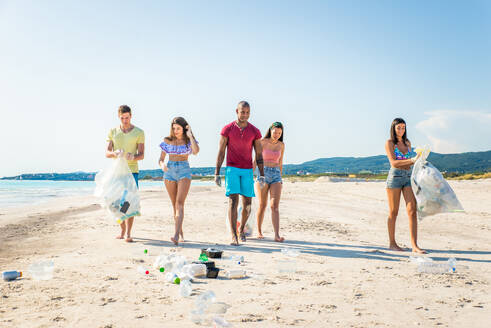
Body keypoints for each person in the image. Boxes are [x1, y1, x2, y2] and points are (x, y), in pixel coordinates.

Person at [215, 101, 265, 246]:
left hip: (248, 170)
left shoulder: (255, 131)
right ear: (236, 111)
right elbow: (221, 152)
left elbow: (259, 154)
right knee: (233, 201)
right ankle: (233, 235)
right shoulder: (227, 129)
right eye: (242, 112)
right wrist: (217, 172)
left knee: (247, 204)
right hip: (232, 169)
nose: (245, 115)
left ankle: (241, 229)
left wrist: (261, 174)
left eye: (247, 112)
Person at [384, 117, 425, 253]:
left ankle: (414, 245)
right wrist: (412, 160)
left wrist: (418, 159)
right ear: (394, 129)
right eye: (399, 127)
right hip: (394, 178)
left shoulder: (407, 142)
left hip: (408, 178)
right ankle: (392, 243)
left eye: (403, 127)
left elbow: (411, 162)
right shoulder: (390, 143)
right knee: (393, 212)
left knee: (412, 210)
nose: (401, 130)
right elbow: (394, 163)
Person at [106, 105, 145, 242]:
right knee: (111, 202)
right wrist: (114, 153)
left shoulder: (139, 132)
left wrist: (132, 157)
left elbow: (141, 155)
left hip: (132, 171)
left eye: (127, 117)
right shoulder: (113, 131)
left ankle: (128, 233)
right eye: (122, 118)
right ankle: (121, 227)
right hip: (116, 173)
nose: (125, 120)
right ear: (119, 117)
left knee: (129, 202)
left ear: (131, 116)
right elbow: (107, 153)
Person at [159, 117, 199, 246]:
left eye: (178, 128)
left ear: (184, 128)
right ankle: (179, 232)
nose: (175, 131)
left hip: (184, 170)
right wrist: (162, 166)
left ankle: (176, 235)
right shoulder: (167, 141)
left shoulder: (188, 141)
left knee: (180, 203)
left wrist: (190, 135)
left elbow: (196, 151)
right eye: (174, 128)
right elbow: (160, 159)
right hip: (169, 171)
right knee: (173, 205)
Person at [254, 122, 285, 242]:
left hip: (276, 174)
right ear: (270, 130)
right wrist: (250, 175)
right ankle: (259, 231)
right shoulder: (262, 142)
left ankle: (277, 235)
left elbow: (280, 162)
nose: (277, 134)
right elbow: (256, 160)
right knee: (262, 204)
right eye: (275, 132)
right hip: (262, 173)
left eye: (279, 133)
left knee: (274, 206)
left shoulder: (282, 145)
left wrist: (281, 177)